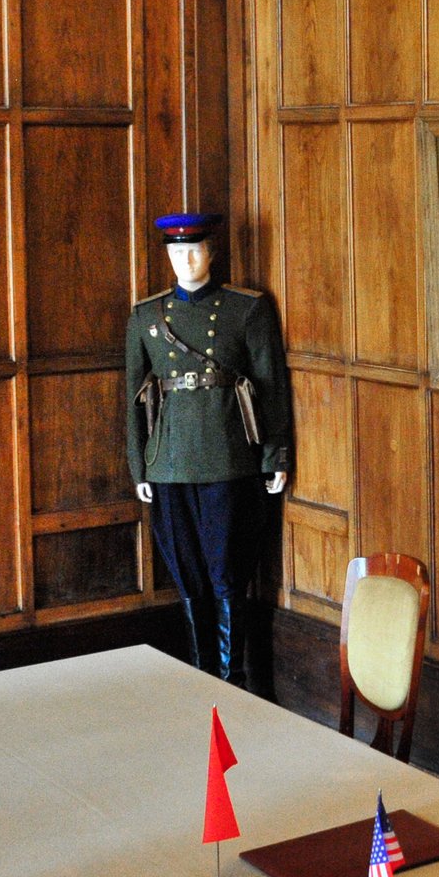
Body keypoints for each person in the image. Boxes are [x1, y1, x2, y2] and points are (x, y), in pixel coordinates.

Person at [125, 212, 293, 691]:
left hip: (228, 456)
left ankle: (230, 677)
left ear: (212, 253)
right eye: (177, 253)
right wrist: (139, 463)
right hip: (170, 461)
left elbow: (270, 386)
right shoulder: (146, 316)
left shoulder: (246, 310)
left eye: (195, 250)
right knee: (188, 576)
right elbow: (134, 397)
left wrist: (274, 455)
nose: (186, 260)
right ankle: (203, 675)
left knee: (227, 574)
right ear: (167, 256)